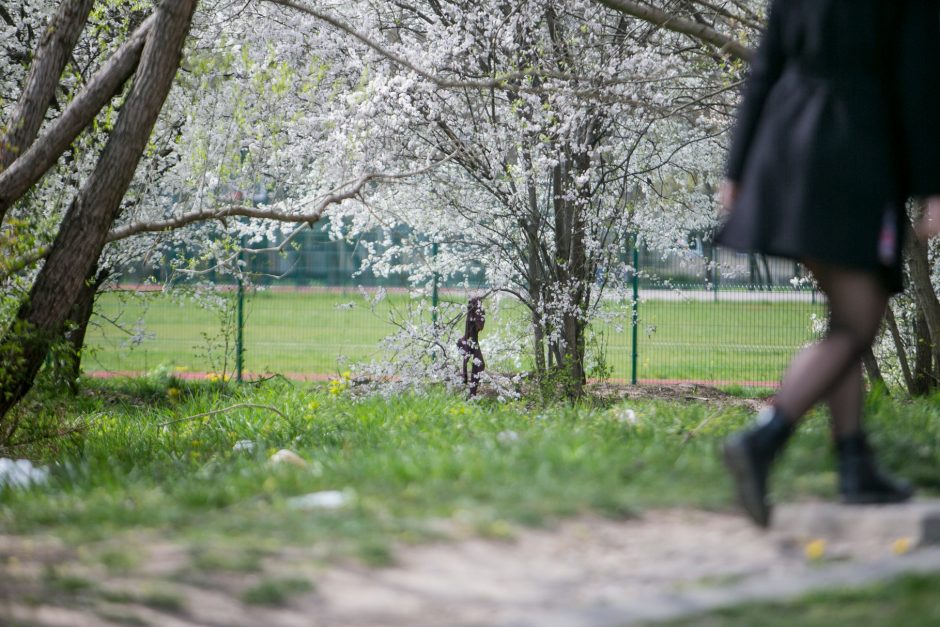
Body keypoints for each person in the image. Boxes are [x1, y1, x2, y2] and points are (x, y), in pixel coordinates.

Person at [717, 0, 940, 528]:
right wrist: (933, 185)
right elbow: (919, 83)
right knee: (858, 321)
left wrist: (738, 167)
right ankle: (764, 437)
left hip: (784, 145)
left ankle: (854, 463)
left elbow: (765, 65)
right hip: (853, 149)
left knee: (846, 315)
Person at [457, 297, 485, 396]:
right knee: (479, 365)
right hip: (469, 342)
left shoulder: (473, 315)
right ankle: (470, 390)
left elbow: (479, 327)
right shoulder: (472, 316)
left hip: (470, 342)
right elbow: (478, 327)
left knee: (479, 365)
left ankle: (471, 391)